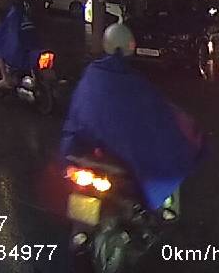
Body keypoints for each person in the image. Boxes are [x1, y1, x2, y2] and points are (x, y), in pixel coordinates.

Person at [61, 23, 205, 213]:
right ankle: (166, 213)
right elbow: (154, 115)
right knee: (169, 155)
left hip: (82, 147)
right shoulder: (133, 82)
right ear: (130, 46)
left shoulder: (91, 74)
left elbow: (78, 110)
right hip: (116, 152)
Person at [0, 0, 39, 91]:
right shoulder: (26, 13)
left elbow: (5, 33)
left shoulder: (13, 15)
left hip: (18, 48)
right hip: (30, 45)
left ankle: (5, 79)